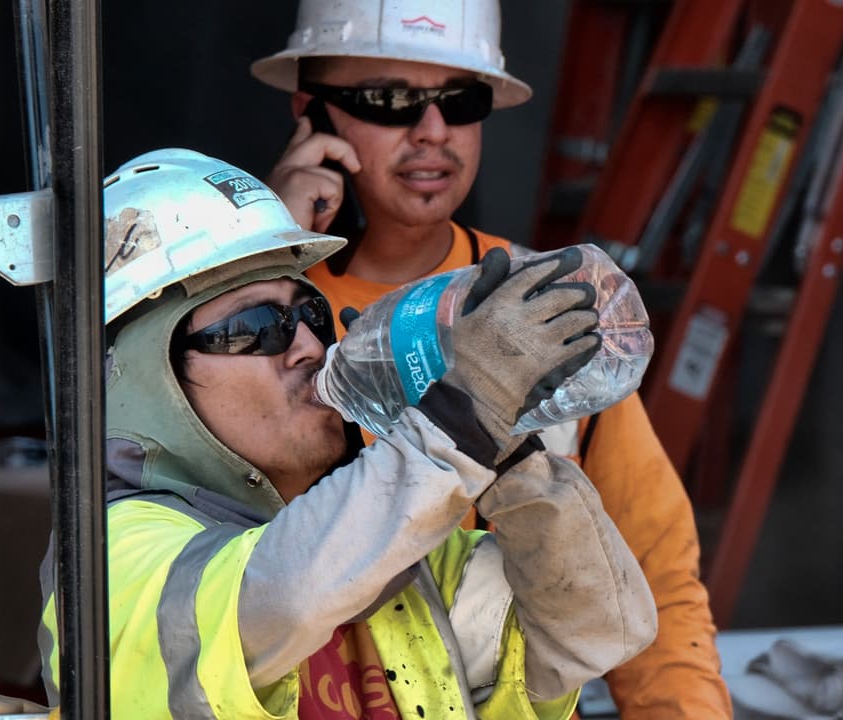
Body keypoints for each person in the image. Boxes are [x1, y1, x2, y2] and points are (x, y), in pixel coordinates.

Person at [36, 148, 657, 719]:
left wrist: (506, 449)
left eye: (307, 313)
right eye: (257, 326)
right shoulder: (108, 557)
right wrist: (458, 419)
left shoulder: (386, 551)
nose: (309, 345)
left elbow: (602, 629)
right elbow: (280, 595)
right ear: (146, 378)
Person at [251, 2, 732, 717]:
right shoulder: (250, 325)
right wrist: (264, 250)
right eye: (391, 102)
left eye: (461, 100)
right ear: (310, 116)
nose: (433, 132)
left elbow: (654, 568)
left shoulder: (541, 307)